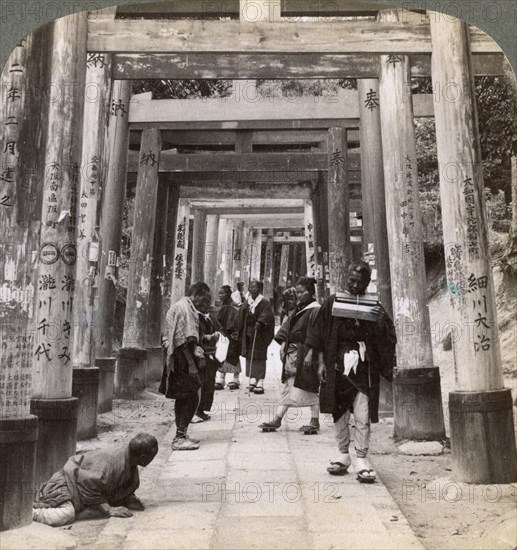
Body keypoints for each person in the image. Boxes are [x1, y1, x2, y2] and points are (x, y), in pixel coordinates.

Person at [305, 261, 396, 483]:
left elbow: (387, 338)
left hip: (363, 369)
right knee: (339, 413)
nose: (353, 284)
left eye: (358, 281)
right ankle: (343, 455)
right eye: (351, 280)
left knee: (362, 414)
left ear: (367, 283)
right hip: (337, 366)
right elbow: (319, 331)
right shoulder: (333, 301)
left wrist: (381, 320)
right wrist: (319, 362)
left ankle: (362, 459)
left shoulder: (375, 307)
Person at [32, 433, 158, 527]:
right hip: (68, 483)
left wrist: (128, 499)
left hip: (83, 489)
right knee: (66, 515)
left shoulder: (129, 461)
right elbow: (89, 485)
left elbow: (119, 486)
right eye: (152, 456)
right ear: (142, 457)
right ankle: (30, 514)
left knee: (93, 512)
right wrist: (109, 509)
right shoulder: (112, 462)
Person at [259, 276, 321, 433]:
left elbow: (316, 335)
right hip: (294, 353)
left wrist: (310, 354)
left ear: (311, 293)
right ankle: (278, 419)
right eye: (297, 292)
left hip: (306, 353)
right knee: (289, 385)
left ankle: (313, 420)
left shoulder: (315, 309)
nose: (299, 295)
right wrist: (284, 343)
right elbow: (287, 327)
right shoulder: (300, 308)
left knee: (309, 386)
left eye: (302, 292)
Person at [160, 282, 212, 450]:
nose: (205, 304)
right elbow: (183, 341)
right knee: (191, 396)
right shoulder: (185, 308)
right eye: (204, 299)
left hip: (178, 357)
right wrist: (192, 365)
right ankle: (179, 437)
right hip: (181, 359)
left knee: (183, 396)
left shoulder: (184, 306)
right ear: (196, 294)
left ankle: (181, 433)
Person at [239, 279, 275, 394]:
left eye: (255, 287)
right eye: (251, 287)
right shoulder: (247, 301)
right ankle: (252, 378)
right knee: (250, 356)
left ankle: (260, 381)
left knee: (259, 356)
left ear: (259, 289)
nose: (252, 289)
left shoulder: (264, 302)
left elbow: (268, 315)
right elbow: (241, 315)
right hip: (248, 333)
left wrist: (261, 321)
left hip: (260, 333)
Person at [193, 304, 223, 422]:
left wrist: (218, 334)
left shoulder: (210, 317)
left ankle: (202, 409)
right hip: (200, 353)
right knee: (201, 382)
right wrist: (207, 337)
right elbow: (194, 335)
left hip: (212, 353)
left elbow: (220, 328)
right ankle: (195, 409)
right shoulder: (195, 317)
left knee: (209, 383)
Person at [215, 285, 242, 390]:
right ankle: (221, 377)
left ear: (228, 294)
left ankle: (236, 378)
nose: (220, 295)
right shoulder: (223, 306)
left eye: (222, 293)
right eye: (219, 293)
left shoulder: (232, 306)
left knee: (233, 355)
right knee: (221, 354)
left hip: (232, 334)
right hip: (223, 333)